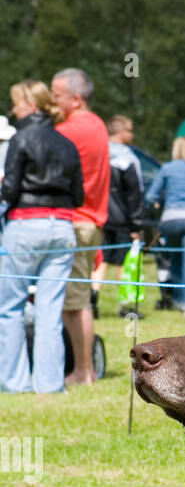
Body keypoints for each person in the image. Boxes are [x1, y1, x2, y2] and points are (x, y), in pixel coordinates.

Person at [0, 80, 82, 393]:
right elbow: (78, 196)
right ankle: (49, 385)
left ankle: (14, 382)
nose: (14, 110)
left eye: (17, 104)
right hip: (62, 227)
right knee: (50, 308)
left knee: (10, 307)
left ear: (31, 106)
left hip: (25, 225)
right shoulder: (68, 144)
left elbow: (9, 190)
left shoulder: (20, 139)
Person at [51, 68, 109, 386]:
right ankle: (85, 368)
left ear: (75, 98)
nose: (52, 101)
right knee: (79, 299)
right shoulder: (98, 124)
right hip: (91, 220)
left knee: (75, 303)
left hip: (75, 220)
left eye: (56, 95)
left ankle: (83, 371)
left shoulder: (70, 129)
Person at [145, 135, 185, 316]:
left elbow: (151, 196)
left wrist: (159, 203)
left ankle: (175, 300)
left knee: (174, 259)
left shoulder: (167, 168)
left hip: (170, 220)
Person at [93, 115, 143, 311]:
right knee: (125, 262)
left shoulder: (97, 152)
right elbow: (134, 193)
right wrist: (137, 224)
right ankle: (126, 305)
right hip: (122, 219)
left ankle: (93, 298)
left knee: (100, 259)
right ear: (121, 132)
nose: (132, 134)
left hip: (99, 217)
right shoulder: (127, 158)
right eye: (130, 130)